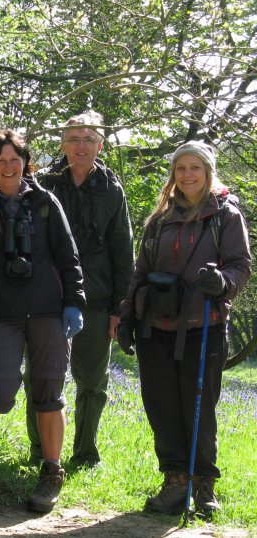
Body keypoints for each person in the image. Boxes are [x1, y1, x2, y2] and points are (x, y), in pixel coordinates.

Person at [0, 129, 85, 513]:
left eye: (15, 160)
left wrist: (75, 303)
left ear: (26, 163)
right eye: (0, 161)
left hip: (48, 310)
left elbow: (68, 256)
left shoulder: (46, 201)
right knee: (3, 394)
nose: (8, 167)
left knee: (48, 393)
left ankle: (51, 472)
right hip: (0, 312)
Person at [118, 141, 250, 517]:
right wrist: (127, 317)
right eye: (181, 169)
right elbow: (140, 272)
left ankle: (204, 485)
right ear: (173, 174)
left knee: (198, 409)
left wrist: (223, 281)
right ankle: (174, 481)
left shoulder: (225, 215)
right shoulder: (159, 218)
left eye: (195, 168)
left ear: (208, 172)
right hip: (153, 328)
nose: (187, 175)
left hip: (202, 327)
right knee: (161, 408)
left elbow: (241, 263)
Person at [24, 111, 135, 467]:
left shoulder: (112, 189)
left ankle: (85, 454)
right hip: (47, 299)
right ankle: (40, 452)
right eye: (74, 139)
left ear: (100, 145)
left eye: (89, 139)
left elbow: (123, 250)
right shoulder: (43, 184)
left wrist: (121, 307)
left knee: (92, 381)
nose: (81, 146)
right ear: (63, 143)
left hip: (97, 301)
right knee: (41, 378)